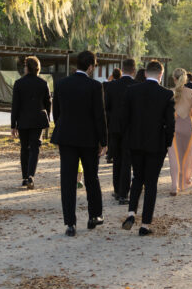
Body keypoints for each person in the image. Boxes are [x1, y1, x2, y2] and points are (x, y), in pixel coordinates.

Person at [52, 50, 107, 236]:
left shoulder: (61, 84)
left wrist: (61, 130)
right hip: (88, 138)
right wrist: (103, 140)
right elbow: (99, 116)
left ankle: (70, 223)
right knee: (92, 177)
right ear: (90, 66)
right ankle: (94, 215)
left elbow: (56, 113)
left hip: (66, 136)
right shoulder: (94, 86)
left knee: (67, 180)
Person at [121, 60, 175, 235]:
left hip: (135, 141)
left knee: (137, 177)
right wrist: (167, 142)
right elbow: (170, 123)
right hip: (156, 143)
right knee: (151, 183)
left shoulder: (132, 91)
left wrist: (127, 139)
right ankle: (145, 224)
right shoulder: (166, 94)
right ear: (161, 74)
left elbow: (125, 119)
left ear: (145, 74)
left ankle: (131, 213)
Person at [11, 56, 51, 190]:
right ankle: (31, 175)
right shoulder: (43, 83)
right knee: (35, 148)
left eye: (24, 66)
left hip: (23, 120)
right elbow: (48, 102)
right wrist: (48, 117)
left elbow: (15, 105)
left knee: (24, 148)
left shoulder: (19, 83)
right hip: (38, 120)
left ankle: (24, 177)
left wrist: (13, 125)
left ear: (27, 67)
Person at [105, 57, 137, 203]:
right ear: (134, 70)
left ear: (122, 69)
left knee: (117, 159)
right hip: (131, 127)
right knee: (127, 161)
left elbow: (107, 108)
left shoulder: (111, 86)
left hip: (115, 127)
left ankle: (117, 190)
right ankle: (124, 193)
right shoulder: (137, 86)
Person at [168, 68, 192, 195]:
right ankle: (184, 182)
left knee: (173, 156)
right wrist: (188, 112)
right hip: (188, 125)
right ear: (185, 78)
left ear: (174, 78)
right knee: (187, 154)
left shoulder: (170, 93)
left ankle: (174, 186)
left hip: (173, 125)